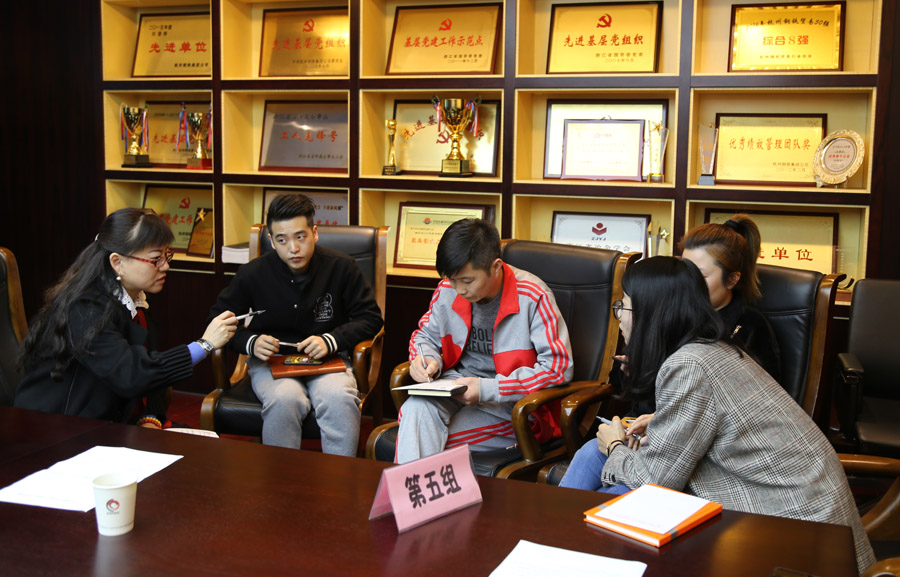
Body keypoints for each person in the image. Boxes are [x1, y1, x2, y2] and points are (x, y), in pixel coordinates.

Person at [562, 257, 875, 573]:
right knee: (596, 459)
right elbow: (732, 417)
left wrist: (615, 445)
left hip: (790, 530)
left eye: (623, 306)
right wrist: (661, 420)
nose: (619, 316)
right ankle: (560, 541)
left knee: (615, 491)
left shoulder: (688, 365)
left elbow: (653, 481)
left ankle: (558, 544)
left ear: (650, 313)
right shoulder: (713, 347)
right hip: (805, 512)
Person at [16, 208, 238, 425]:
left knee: (208, 444)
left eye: (167, 255)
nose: (165, 266)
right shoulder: (85, 309)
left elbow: (150, 371)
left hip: (114, 423)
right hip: (60, 428)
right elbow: (131, 375)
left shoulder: (136, 302)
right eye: (156, 259)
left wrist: (151, 418)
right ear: (117, 262)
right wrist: (203, 345)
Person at [206, 194, 383, 455]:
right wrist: (251, 343)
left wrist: (331, 340)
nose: (293, 248)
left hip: (328, 360)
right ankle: (282, 478)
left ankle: (342, 476)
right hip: (272, 362)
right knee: (284, 399)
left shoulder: (342, 267)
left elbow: (370, 318)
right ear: (271, 240)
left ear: (315, 233)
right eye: (282, 240)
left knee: (339, 398)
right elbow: (219, 322)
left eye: (300, 237)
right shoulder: (253, 273)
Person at [396, 218, 573, 463]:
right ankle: (413, 490)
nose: (459, 290)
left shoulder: (533, 296)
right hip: (454, 389)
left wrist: (487, 389)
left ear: (496, 266)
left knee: (426, 440)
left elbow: (558, 368)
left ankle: (410, 489)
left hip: (510, 406)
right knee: (414, 410)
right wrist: (425, 359)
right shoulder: (447, 290)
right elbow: (424, 336)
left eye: (467, 281)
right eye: (452, 279)